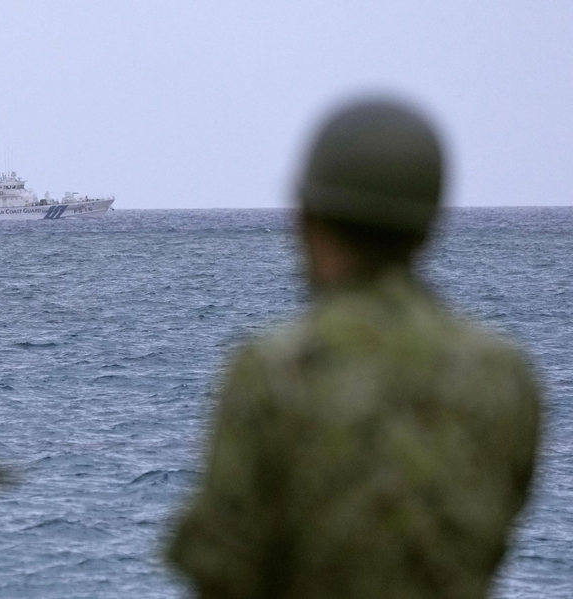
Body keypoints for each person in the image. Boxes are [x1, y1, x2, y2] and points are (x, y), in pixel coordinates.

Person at [166, 99, 541, 599]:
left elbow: (220, 567)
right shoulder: (506, 374)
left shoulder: (274, 370)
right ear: (429, 222)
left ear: (307, 217)